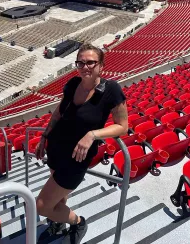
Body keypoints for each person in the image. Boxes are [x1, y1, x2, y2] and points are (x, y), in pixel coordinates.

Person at [35, 43, 128, 244]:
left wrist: (92, 134)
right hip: (56, 149)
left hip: (77, 157)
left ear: (101, 66)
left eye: (91, 62)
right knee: (59, 199)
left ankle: (77, 222)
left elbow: (122, 126)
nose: (85, 67)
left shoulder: (111, 89)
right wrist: (44, 137)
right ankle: (58, 221)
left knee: (42, 205)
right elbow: (59, 113)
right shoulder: (71, 84)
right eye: (81, 62)